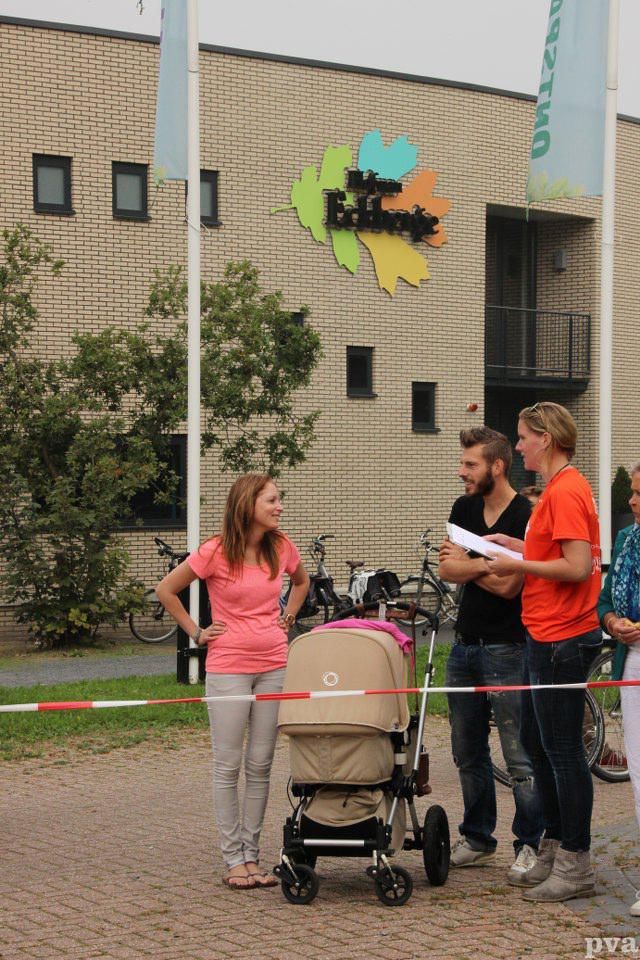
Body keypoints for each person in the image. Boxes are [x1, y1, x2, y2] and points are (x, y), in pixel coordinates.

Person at [156, 473, 309, 889]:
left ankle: (252, 857)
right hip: (228, 667)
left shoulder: (281, 546)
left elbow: (302, 581)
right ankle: (232, 860)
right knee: (229, 765)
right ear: (248, 504)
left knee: (261, 765)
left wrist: (288, 618)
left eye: (279, 500)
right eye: (272, 500)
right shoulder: (215, 550)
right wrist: (196, 631)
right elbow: (166, 589)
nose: (279, 507)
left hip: (275, 663)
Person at [484, 401, 602, 903]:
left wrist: (522, 564)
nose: (517, 446)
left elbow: (576, 566)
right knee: (538, 744)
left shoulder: (568, 489)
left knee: (562, 752)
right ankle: (554, 844)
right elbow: (551, 551)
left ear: (547, 439)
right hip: (543, 634)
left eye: (523, 436)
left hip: (562, 637)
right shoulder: (556, 490)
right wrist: (515, 545)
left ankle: (575, 860)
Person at [439, 427, 543, 881]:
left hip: (508, 648)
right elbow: (446, 568)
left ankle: (530, 843)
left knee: (518, 754)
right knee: (466, 750)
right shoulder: (463, 508)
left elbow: (511, 586)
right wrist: (486, 561)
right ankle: (478, 836)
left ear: (497, 467)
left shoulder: (525, 515)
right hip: (462, 647)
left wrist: (469, 565)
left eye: (470, 465)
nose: (462, 472)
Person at [597, 461, 640, 916]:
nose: (630, 500)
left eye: (639, 493)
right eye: (631, 491)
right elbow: (606, 598)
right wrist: (612, 621)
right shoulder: (628, 540)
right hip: (632, 663)